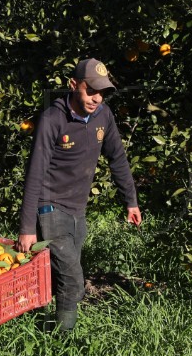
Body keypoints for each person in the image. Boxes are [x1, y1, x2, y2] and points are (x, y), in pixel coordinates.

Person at [18, 58, 141, 331]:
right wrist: (27, 227)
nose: (96, 98)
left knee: (60, 273)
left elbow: (117, 158)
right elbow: (35, 174)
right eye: (90, 90)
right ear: (74, 85)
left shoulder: (103, 116)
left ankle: (40, 321)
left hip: (77, 209)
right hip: (49, 209)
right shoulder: (52, 119)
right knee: (73, 278)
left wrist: (130, 201)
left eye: (102, 93)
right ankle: (64, 342)